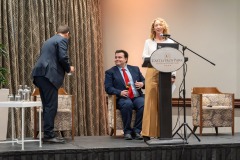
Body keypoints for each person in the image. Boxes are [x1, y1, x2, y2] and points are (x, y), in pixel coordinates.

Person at [32, 25, 74, 143]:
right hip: (49, 75)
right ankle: (49, 136)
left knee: (47, 105)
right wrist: (69, 68)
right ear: (67, 34)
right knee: (51, 105)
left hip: (39, 74)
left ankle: (48, 134)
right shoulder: (62, 40)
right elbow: (62, 57)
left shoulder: (48, 40)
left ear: (56, 32)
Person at [141, 18, 176, 142]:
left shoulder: (170, 41)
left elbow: (174, 59)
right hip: (152, 71)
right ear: (153, 28)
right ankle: (147, 133)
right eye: (156, 25)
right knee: (150, 101)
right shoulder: (148, 42)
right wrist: (157, 56)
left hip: (166, 72)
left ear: (164, 27)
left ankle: (163, 132)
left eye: (160, 25)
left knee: (164, 102)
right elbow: (144, 56)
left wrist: (173, 75)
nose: (158, 27)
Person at [105, 50, 145, 140]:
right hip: (122, 98)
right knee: (127, 104)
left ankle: (137, 131)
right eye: (116, 57)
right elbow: (108, 88)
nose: (117, 59)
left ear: (126, 59)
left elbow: (144, 81)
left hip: (136, 96)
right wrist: (119, 92)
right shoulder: (110, 72)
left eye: (119, 57)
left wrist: (142, 84)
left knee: (144, 104)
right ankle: (127, 131)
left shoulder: (135, 69)